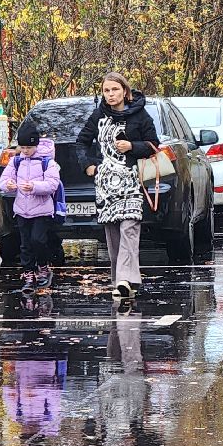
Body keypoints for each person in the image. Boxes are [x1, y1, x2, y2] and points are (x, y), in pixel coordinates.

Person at [77, 71, 159, 299]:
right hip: (105, 185)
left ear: (125, 91)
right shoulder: (98, 116)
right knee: (113, 234)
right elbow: (81, 142)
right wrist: (88, 166)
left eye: (115, 89)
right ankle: (122, 282)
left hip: (132, 182)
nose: (111, 94)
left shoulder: (141, 115)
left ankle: (125, 278)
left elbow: (154, 145)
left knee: (129, 229)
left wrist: (132, 146)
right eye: (106, 90)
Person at [0, 120, 62, 289]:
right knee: (25, 243)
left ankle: (43, 267)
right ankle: (28, 272)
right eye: (23, 148)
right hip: (21, 210)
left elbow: (52, 184)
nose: (25, 151)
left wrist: (34, 187)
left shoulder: (47, 162)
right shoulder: (16, 161)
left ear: (36, 145)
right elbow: (4, 181)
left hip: (41, 210)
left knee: (38, 240)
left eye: (29, 148)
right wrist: (9, 185)